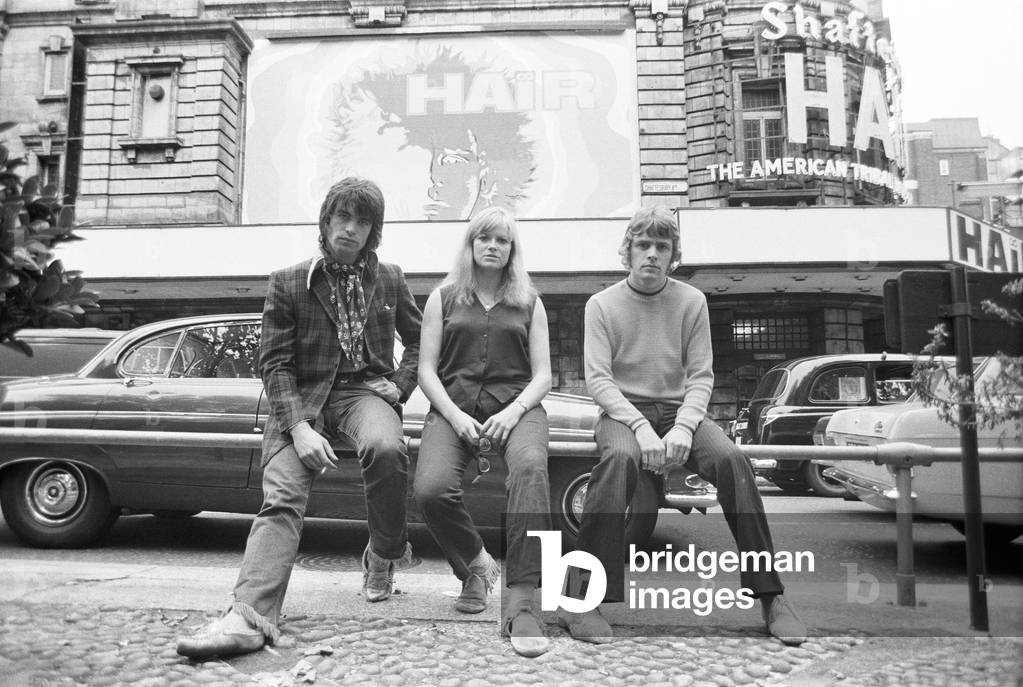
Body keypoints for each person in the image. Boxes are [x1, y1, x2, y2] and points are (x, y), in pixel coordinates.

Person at [176, 177, 423, 659]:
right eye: (342, 217)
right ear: (326, 221)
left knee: (388, 447)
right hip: (303, 402)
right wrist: (299, 428)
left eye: (362, 221)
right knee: (284, 495)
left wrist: (400, 383)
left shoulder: (390, 277)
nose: (350, 229)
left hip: (362, 392)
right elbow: (273, 364)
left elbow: (419, 340)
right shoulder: (289, 281)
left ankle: (384, 554)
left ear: (373, 231)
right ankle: (249, 616)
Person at [559, 205, 807, 646]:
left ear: (673, 254)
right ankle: (579, 599)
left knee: (732, 461)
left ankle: (771, 596)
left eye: (662, 245)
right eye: (643, 245)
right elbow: (599, 380)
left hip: (678, 411)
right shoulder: (601, 304)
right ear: (627, 251)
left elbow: (701, 376)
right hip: (622, 411)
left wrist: (682, 427)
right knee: (618, 460)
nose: (652, 254)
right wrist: (640, 427)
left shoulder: (691, 301)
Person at [414, 207, 553, 658]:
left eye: (503, 240)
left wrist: (513, 413)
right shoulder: (443, 297)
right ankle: (475, 566)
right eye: (484, 238)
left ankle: (524, 603)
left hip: (518, 409)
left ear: (513, 250)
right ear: (471, 245)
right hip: (454, 408)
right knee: (431, 490)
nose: (493, 246)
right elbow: (425, 371)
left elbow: (544, 376)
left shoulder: (530, 301)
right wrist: (454, 416)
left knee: (531, 471)